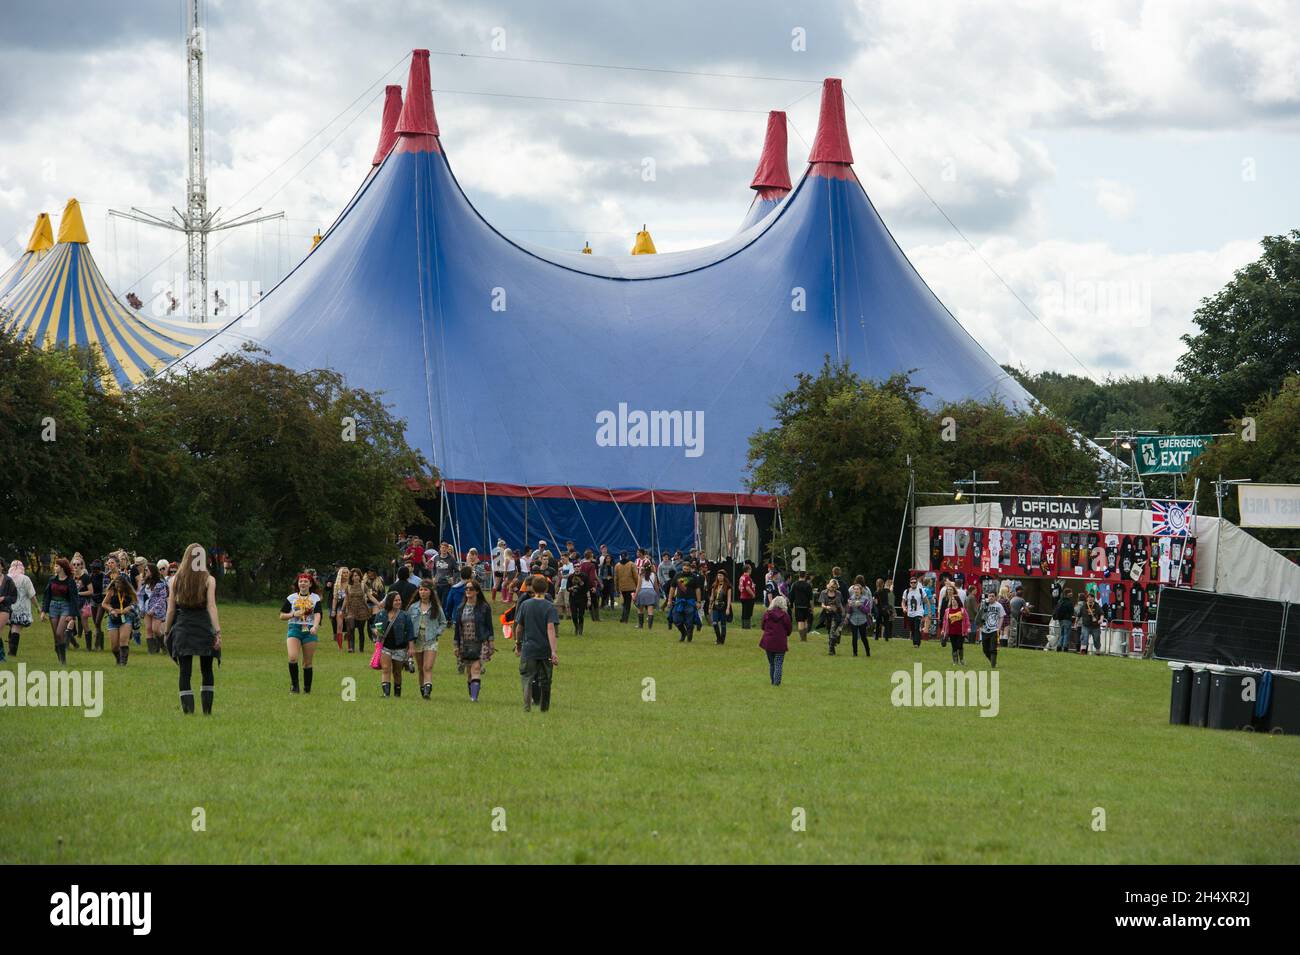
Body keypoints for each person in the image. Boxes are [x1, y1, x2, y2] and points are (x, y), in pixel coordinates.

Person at [164, 544, 222, 715]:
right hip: (204, 626)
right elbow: (211, 606)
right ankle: (207, 712)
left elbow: (171, 609)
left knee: (185, 671)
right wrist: (217, 631)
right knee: (207, 669)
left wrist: (167, 632)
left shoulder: (174, 580)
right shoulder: (209, 580)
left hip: (183, 627)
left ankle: (188, 713)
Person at [515, 575, 559, 712]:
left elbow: (519, 628)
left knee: (527, 678)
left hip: (529, 649)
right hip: (545, 649)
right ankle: (544, 708)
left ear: (532, 588)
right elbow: (551, 629)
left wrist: (518, 644)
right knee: (545, 680)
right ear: (546, 589)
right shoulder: (550, 606)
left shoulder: (525, 605)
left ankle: (527, 707)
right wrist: (553, 651)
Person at [452, 581, 495, 702]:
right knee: (469, 671)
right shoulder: (460, 608)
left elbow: (489, 626)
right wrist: (455, 645)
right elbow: (457, 628)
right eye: (466, 589)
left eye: (471, 589)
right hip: (464, 642)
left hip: (480, 641)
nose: (468, 591)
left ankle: (474, 698)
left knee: (476, 668)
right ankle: (472, 692)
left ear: (477, 591)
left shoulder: (484, 607)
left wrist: (491, 642)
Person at [280, 573, 322, 694]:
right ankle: (294, 686)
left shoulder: (315, 598)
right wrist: (293, 614)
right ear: (298, 584)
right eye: (300, 581)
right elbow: (281, 615)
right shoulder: (291, 598)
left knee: (307, 662)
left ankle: (307, 689)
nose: (302, 583)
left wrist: (315, 626)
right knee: (293, 657)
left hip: (309, 630)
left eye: (305, 581)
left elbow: (318, 614)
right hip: (294, 628)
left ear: (310, 584)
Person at [40, 557, 82, 665]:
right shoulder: (52, 580)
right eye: (55, 565)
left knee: (59, 633)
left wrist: (72, 615)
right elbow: (47, 596)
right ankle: (59, 657)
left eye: (56, 566)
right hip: (53, 607)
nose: (55, 567)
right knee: (56, 637)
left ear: (62, 568)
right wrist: (43, 611)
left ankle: (63, 661)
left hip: (65, 607)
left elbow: (74, 598)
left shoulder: (70, 581)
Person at [409, 580, 445, 700]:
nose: (423, 592)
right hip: (417, 640)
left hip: (431, 640)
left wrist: (437, 633)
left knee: (427, 667)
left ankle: (427, 691)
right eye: (421, 590)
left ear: (431, 592)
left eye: (425, 590)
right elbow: (408, 624)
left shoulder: (436, 607)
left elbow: (443, 622)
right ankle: (422, 689)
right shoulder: (413, 607)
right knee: (420, 668)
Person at [378, 591, 415, 698]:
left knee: (397, 672)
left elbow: (410, 631)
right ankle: (386, 694)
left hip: (400, 647)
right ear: (390, 601)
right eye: (396, 600)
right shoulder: (382, 614)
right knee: (386, 669)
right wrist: (375, 631)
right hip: (385, 646)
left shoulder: (405, 615)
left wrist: (411, 647)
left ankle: (397, 694)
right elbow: (375, 626)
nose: (398, 602)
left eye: (399, 600)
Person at [759, 595, 792, 686]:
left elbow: (762, 626)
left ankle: (773, 681)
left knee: (772, 663)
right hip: (780, 643)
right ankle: (776, 683)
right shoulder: (785, 616)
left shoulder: (767, 614)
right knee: (778, 664)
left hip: (768, 642)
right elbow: (789, 629)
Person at [6, 560, 36, 657]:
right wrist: (38, 607)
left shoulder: (6, 578)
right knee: (16, 628)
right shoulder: (25, 579)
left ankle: (10, 648)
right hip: (21, 609)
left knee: (12, 626)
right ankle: (12, 652)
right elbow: (32, 595)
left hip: (8, 607)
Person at [341, 568, 370, 653]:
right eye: (353, 576)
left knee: (361, 630)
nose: (355, 577)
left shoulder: (363, 585)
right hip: (351, 610)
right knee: (351, 628)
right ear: (351, 577)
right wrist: (342, 609)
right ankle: (352, 648)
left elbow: (370, 596)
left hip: (362, 610)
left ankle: (361, 649)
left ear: (359, 576)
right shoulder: (348, 587)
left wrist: (379, 604)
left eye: (356, 575)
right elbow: (346, 599)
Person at [938, 583, 968, 665]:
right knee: (954, 646)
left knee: (960, 645)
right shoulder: (947, 610)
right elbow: (944, 621)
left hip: (960, 631)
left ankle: (961, 659)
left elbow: (966, 619)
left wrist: (967, 628)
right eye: (952, 601)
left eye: (955, 601)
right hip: (951, 631)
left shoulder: (962, 610)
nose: (954, 602)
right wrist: (943, 630)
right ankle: (955, 661)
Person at [974, 590, 1004, 669]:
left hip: (994, 630)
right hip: (984, 629)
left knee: (993, 648)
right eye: (989, 596)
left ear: (996, 597)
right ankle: (992, 661)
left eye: (992, 596)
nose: (991, 597)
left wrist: (999, 627)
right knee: (985, 649)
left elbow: (1001, 616)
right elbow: (979, 615)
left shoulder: (999, 606)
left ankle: (993, 666)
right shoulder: (984, 604)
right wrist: (979, 625)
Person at [146, 561, 171, 654]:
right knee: (149, 629)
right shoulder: (146, 582)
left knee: (156, 629)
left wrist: (154, 609)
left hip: (158, 608)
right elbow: (141, 594)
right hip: (147, 608)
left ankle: (164, 646)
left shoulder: (161, 583)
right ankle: (152, 651)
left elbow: (162, 598)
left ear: (152, 571)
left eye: (147, 570)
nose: (145, 572)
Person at [845, 576, 873, 657]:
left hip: (862, 620)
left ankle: (868, 652)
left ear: (861, 590)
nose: (856, 590)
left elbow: (867, 611)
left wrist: (860, 606)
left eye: (857, 589)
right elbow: (849, 611)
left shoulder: (865, 599)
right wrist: (849, 608)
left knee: (864, 637)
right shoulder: (851, 599)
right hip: (853, 620)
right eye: (855, 589)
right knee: (854, 637)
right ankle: (855, 653)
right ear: (853, 590)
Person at [820, 580, 844, 655]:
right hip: (827, 615)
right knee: (829, 632)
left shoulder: (838, 593)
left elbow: (840, 604)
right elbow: (822, 604)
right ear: (828, 585)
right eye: (831, 586)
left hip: (836, 615)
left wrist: (843, 614)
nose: (832, 588)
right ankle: (832, 650)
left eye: (834, 587)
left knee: (832, 632)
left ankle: (830, 651)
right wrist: (826, 607)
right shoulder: (823, 593)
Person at [789, 572, 813, 642]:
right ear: (805, 576)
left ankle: (802, 638)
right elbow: (810, 598)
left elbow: (791, 596)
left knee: (800, 622)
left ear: (799, 576)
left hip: (798, 606)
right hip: (806, 606)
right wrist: (811, 607)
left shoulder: (794, 584)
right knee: (805, 621)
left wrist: (791, 606)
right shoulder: (808, 585)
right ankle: (805, 638)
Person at [635, 564, 660, 630]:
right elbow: (656, 586)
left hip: (642, 592)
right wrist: (657, 594)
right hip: (651, 592)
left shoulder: (641, 575)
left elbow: (638, 586)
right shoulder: (654, 575)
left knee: (640, 609)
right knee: (650, 611)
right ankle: (650, 627)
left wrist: (635, 595)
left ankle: (641, 626)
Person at [709, 572, 732, 645]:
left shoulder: (728, 586)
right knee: (715, 623)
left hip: (724, 606)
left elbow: (729, 598)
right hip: (715, 606)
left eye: (721, 575)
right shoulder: (714, 585)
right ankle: (718, 638)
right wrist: (710, 606)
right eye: (718, 575)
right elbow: (712, 597)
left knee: (723, 624)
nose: (719, 577)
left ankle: (722, 639)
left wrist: (728, 608)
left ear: (724, 577)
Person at [903, 577, 926, 647]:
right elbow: (903, 602)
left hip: (919, 612)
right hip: (910, 613)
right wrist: (904, 608)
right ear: (910, 583)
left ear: (917, 583)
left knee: (916, 627)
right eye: (911, 582)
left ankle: (916, 643)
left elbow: (926, 600)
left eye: (914, 582)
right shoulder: (906, 591)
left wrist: (929, 611)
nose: (913, 584)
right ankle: (915, 641)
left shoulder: (920, 591)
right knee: (912, 629)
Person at [568, 562, 590, 634]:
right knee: (574, 615)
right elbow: (567, 588)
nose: (577, 568)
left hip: (582, 598)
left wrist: (581, 583)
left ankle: (580, 629)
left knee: (581, 615)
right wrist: (571, 588)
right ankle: (576, 627)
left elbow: (587, 588)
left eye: (578, 566)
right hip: (573, 597)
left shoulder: (585, 576)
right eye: (575, 566)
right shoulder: (570, 577)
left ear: (580, 567)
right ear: (573, 568)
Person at [615, 552, 638, 623]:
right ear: (627, 556)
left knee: (625, 602)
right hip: (631, 587)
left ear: (621, 557)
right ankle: (625, 619)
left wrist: (616, 588)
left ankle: (623, 618)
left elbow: (616, 578)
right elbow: (636, 576)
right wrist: (637, 585)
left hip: (622, 587)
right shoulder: (631, 564)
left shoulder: (617, 565)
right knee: (627, 603)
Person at [1078, 591, 1103, 655]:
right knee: (1084, 637)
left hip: (1095, 626)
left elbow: (1101, 614)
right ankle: (1083, 651)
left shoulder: (1097, 606)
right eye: (1089, 597)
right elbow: (1079, 615)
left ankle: (1098, 652)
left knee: (1096, 639)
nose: (1090, 598)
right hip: (1086, 625)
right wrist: (1076, 623)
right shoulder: (1084, 606)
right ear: (1087, 598)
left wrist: (1101, 619)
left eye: (1092, 597)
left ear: (1094, 598)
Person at [0, 563, 15, 663]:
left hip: (4, 609)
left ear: (2, 566)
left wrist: (4, 598)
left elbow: (14, 597)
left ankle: (1, 657)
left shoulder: (8, 580)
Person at [737, 563, 757, 629]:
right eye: (750, 569)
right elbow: (747, 588)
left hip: (742, 596)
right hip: (748, 597)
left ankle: (743, 626)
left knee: (744, 612)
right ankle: (747, 626)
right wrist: (753, 594)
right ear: (748, 570)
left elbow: (739, 587)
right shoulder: (747, 577)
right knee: (748, 613)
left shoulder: (741, 577)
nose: (751, 570)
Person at [1009, 584, 1029, 649]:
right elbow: (1027, 611)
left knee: (1011, 632)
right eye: (1021, 590)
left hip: (1010, 617)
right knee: (1014, 633)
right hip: (1014, 619)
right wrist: (1027, 611)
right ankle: (1012, 646)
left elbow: (1015, 608)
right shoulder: (1022, 600)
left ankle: (1013, 645)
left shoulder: (1013, 598)